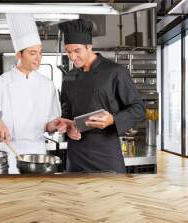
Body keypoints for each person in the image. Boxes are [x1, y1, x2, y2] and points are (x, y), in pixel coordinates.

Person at [0, 13, 71, 174]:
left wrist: (55, 125)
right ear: (19, 55)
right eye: (32, 53)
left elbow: (49, 124)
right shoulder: (2, 82)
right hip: (10, 152)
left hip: (38, 155)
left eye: (40, 52)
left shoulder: (47, 85)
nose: (39, 58)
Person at [58, 19, 146, 173]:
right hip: (76, 154)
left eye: (77, 51)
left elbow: (139, 110)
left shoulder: (116, 72)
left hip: (105, 153)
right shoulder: (69, 77)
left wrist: (113, 119)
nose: (72, 57)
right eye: (68, 51)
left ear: (89, 47)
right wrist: (68, 128)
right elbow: (66, 113)